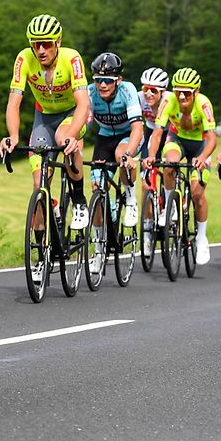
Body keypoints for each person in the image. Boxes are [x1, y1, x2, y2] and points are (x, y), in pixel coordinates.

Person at [0, 14, 90, 285]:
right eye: (36, 44)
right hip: (43, 117)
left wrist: (73, 136)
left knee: (64, 139)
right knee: (39, 186)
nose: (40, 50)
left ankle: (79, 199)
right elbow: (14, 102)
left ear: (58, 42)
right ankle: (41, 255)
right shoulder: (23, 59)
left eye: (46, 44)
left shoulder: (71, 58)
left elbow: (83, 104)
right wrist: (13, 136)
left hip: (72, 114)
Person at [143, 67, 215, 265]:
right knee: (169, 164)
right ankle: (169, 207)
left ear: (196, 92)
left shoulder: (203, 104)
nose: (182, 96)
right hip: (177, 139)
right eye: (178, 91)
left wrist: (203, 157)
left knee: (197, 193)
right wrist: (150, 156)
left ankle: (201, 237)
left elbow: (211, 139)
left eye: (187, 92)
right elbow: (157, 133)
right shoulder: (168, 101)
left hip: (199, 145)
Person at [86, 52, 143, 274]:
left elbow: (138, 128)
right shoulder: (91, 93)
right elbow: (84, 122)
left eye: (107, 80)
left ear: (117, 80)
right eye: (98, 79)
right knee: (97, 188)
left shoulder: (127, 90)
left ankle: (130, 198)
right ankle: (99, 249)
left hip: (128, 137)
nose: (102, 85)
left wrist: (129, 153)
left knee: (121, 156)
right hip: (104, 137)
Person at [137, 66, 170, 256]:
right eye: (145, 88)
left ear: (163, 91)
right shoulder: (140, 99)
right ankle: (148, 229)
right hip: (151, 131)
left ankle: (171, 204)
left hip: (170, 133)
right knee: (145, 182)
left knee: (168, 167)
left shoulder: (169, 101)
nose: (148, 93)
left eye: (154, 90)